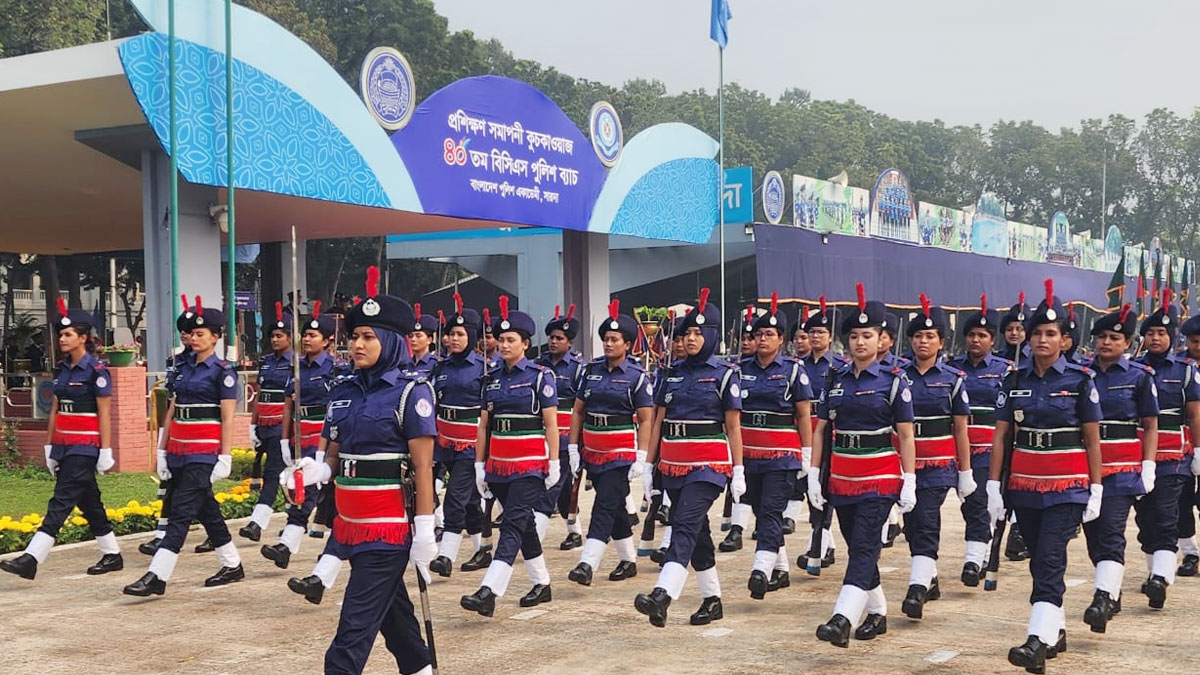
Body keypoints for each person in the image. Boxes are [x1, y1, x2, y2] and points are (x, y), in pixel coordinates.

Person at [291, 268, 438, 675]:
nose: (357, 344)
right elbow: (333, 458)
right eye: (354, 336)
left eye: (368, 337)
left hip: (387, 529)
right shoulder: (343, 389)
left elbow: (422, 466)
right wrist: (310, 471)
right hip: (350, 525)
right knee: (397, 623)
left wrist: (424, 529)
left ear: (390, 341)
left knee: (350, 638)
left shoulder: (412, 392)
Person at [987, 279, 1103, 672]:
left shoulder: (1079, 381)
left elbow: (1092, 441)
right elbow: (1002, 435)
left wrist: (1097, 487)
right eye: (1036, 333)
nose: (1041, 339)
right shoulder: (1014, 380)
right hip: (1024, 486)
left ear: (1065, 341)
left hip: (1067, 486)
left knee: (1051, 560)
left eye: (1050, 333)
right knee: (1039, 561)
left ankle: (1036, 641)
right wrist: (993, 484)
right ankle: (1056, 630)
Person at [811, 285, 916, 647]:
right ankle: (877, 611)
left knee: (867, 542)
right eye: (854, 336)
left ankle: (843, 617)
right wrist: (813, 475)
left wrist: (910, 478)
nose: (859, 342)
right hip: (843, 476)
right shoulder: (835, 380)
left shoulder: (893, 381)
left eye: (867, 336)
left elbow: (905, 435)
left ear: (880, 339)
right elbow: (822, 429)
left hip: (880, 476)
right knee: (858, 546)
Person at [634, 288, 745, 628]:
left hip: (708, 465)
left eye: (699, 333)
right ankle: (712, 600)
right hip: (673, 464)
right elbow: (657, 422)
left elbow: (733, 427)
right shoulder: (671, 373)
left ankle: (663, 593)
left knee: (683, 521)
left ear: (710, 336)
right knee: (697, 533)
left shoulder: (725, 374)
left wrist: (738, 470)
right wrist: (649, 466)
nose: (692, 339)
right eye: (687, 334)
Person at [124, 297, 243, 596]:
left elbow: (227, 418)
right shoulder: (183, 367)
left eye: (202, 334)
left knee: (179, 513)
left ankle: (157, 576)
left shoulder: (223, 372)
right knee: (206, 509)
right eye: (193, 334)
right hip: (178, 448)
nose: (195, 338)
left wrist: (224, 456)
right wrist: (162, 450)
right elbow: (172, 409)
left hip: (203, 451)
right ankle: (232, 564)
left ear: (216, 337)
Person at [1, 300, 121, 580]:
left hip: (86, 445)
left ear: (83, 338)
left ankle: (32, 557)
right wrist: (50, 446)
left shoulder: (96, 372)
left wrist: (105, 449)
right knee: (89, 500)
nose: (62, 339)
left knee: (62, 500)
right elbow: (55, 408)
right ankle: (112, 554)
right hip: (65, 444)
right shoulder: (62, 369)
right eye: (61, 334)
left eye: (68, 334)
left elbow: (105, 414)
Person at [460, 296, 561, 617]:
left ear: (525, 344)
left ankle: (489, 590)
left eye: (510, 340)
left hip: (529, 464)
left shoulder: (539, 376)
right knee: (525, 524)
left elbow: (551, 424)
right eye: (500, 339)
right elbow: (483, 427)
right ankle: (542, 583)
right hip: (498, 466)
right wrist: (479, 465)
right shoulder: (490, 380)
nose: (503, 345)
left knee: (513, 524)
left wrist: (555, 462)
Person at [1081, 303, 1158, 634]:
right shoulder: (1081, 375)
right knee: (1094, 537)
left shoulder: (1139, 378)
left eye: (1114, 338)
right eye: (1101, 337)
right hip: (1084, 469)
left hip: (1121, 469)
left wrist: (1149, 465)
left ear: (1128, 343)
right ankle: (1112, 588)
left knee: (1112, 531)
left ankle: (1102, 596)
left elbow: (1151, 425)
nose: (1106, 343)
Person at [566, 300, 654, 585]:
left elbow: (646, 419)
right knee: (614, 506)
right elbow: (578, 411)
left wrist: (642, 455)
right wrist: (572, 446)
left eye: (614, 339)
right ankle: (628, 561)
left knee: (603, 506)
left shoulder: (636, 377)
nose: (608, 343)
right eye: (605, 339)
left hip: (620, 452)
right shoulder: (590, 371)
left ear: (627, 344)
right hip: (593, 449)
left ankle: (587, 563)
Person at [899, 295, 973, 620]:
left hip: (938, 464)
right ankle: (929, 576)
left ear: (941, 342)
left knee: (926, 517)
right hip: (904, 464)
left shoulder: (953, 380)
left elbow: (961, 430)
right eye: (918, 336)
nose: (923, 341)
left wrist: (966, 472)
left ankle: (916, 589)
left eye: (930, 336)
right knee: (912, 523)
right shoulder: (897, 377)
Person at [738, 293, 813, 599]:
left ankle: (761, 568)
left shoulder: (793, 370)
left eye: (769, 334)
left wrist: (806, 453)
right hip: (750, 454)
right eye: (759, 335)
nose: (763, 339)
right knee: (759, 509)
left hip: (782, 454)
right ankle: (781, 569)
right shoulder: (741, 369)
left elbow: (804, 414)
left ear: (781, 339)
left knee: (771, 510)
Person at [1133, 290, 1200, 610]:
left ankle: (1161, 576)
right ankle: (1153, 574)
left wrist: (1198, 451)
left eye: (1161, 332)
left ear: (1172, 337)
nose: (1155, 337)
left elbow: (1195, 414)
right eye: (1150, 333)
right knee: (1145, 517)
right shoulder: (1132, 369)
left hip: (1174, 456)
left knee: (1166, 512)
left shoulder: (1185, 370)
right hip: (1138, 457)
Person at [260, 300, 339, 569]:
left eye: (313, 335)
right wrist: (284, 440)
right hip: (299, 436)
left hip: (323, 439)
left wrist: (325, 445)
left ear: (327, 341)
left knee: (312, 492)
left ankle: (290, 544)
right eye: (305, 334)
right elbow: (288, 406)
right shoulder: (296, 367)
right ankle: (292, 546)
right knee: (302, 491)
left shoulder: (334, 369)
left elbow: (335, 409)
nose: (307, 339)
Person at [948, 295, 1012, 585]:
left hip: (988, 445)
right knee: (967, 503)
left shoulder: (1005, 370)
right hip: (955, 445)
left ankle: (974, 559)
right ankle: (980, 549)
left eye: (982, 335)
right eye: (971, 334)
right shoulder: (951, 369)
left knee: (978, 502)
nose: (976, 340)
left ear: (992, 339)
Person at [428, 294, 492, 576]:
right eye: (451, 334)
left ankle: (446, 556)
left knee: (455, 497)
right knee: (468, 501)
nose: (453, 339)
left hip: (471, 443)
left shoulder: (484, 369)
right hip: (444, 441)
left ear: (472, 336)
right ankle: (482, 549)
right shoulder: (440, 368)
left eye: (459, 334)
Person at [140, 296, 196, 555]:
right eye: (183, 332)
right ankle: (162, 533)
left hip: (199, 435)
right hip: (175, 427)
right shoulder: (175, 361)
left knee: (195, 492)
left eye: (192, 332)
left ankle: (216, 538)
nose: (186, 337)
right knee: (170, 485)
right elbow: (171, 398)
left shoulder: (215, 367)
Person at [241, 302, 295, 542]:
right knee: (283, 475)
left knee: (273, 474)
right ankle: (294, 518)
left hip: (282, 426)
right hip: (264, 424)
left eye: (279, 336)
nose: (275, 340)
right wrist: (253, 425)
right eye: (272, 336)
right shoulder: (266, 362)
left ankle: (257, 522)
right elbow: (259, 395)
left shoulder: (295, 365)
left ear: (290, 338)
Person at [799, 296, 847, 559]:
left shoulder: (839, 366)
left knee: (827, 484)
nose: (815, 336)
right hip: (808, 430)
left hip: (831, 431)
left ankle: (820, 543)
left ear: (830, 336)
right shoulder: (799, 366)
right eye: (812, 332)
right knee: (812, 485)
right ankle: (824, 543)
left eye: (821, 332)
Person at [535, 305, 585, 551]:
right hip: (542, 435)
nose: (553, 342)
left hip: (566, 435)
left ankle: (534, 538)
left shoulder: (577, 368)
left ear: (570, 342)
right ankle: (575, 532)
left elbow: (581, 406)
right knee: (564, 489)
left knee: (551, 487)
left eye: (559, 338)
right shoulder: (539, 365)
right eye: (551, 337)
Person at [998, 293, 1033, 562]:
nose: (1014, 333)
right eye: (1009, 328)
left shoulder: (1033, 363)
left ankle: (1019, 530)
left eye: (1020, 329)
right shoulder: (1000, 362)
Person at [1177, 313, 1200, 577]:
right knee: (1180, 502)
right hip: (1180, 444)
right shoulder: (1178, 367)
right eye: (1194, 341)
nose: (1198, 346)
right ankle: (1190, 553)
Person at [408, 303, 439, 378]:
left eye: (418, 336)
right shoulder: (405, 364)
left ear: (429, 340)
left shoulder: (436, 364)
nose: (413, 339)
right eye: (411, 336)